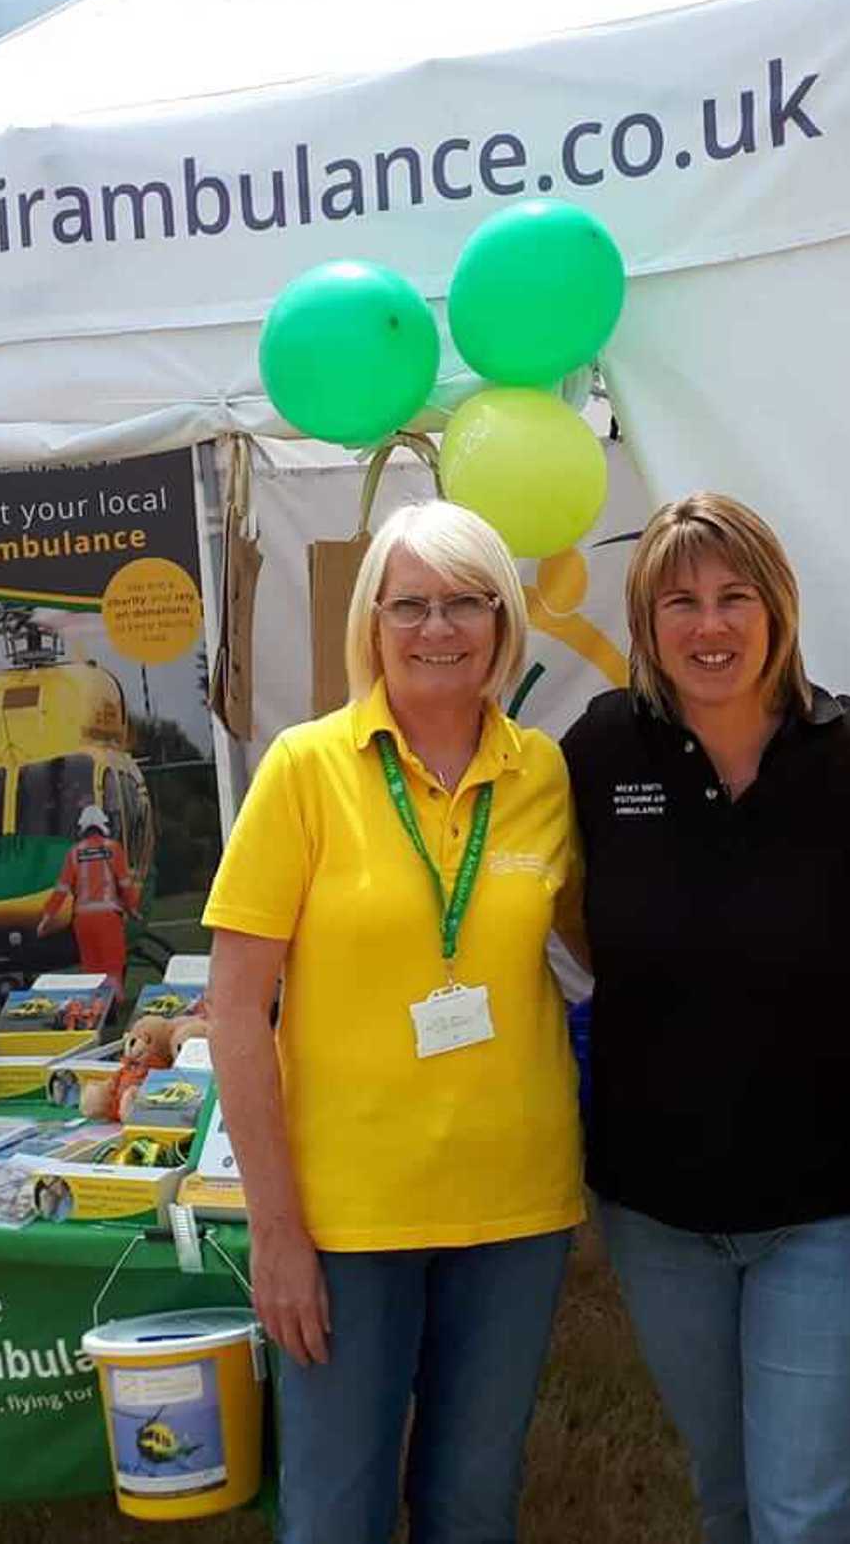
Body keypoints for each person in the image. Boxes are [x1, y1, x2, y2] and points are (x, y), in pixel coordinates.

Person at [204, 500, 582, 1544]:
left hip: (515, 1209)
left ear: (502, 623)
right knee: (335, 1512)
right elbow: (234, 1014)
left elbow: (599, 949)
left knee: (473, 1505)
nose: (437, 628)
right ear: (369, 623)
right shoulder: (304, 769)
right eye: (408, 604)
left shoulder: (543, 774)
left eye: (465, 602)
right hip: (347, 1220)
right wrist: (275, 1232)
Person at [559, 492, 850, 1544]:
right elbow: (572, 914)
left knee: (807, 1510)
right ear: (645, 625)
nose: (708, 627)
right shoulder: (603, 748)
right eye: (679, 603)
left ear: (778, 608)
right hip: (655, 1200)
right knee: (726, 1490)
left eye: (732, 597)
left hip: (830, 1201)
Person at [39, 804, 136, 979]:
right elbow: (125, 884)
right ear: (103, 825)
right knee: (113, 965)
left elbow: (61, 889)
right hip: (109, 918)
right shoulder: (113, 848)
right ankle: (113, 1002)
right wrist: (133, 909)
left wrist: (46, 918)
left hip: (82, 921)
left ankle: (94, 1004)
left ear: (82, 828)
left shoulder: (74, 852)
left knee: (91, 969)